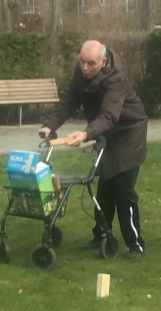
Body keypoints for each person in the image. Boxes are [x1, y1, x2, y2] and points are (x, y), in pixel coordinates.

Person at [39, 39, 149, 259]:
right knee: (105, 188)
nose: (85, 68)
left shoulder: (115, 78)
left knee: (123, 191)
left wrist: (87, 134)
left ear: (104, 61)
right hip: (106, 133)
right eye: (82, 62)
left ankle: (135, 244)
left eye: (90, 63)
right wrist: (49, 125)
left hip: (128, 133)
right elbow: (69, 100)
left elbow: (109, 116)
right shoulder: (82, 73)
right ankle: (102, 235)